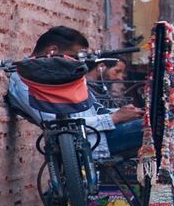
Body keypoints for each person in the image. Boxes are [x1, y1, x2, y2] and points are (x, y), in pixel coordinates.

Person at [8, 27, 145, 158]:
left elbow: (92, 110)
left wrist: (125, 113)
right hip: (87, 144)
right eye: (74, 56)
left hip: (99, 135)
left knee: (152, 121)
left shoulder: (68, 76)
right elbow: (55, 124)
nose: (78, 63)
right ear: (52, 51)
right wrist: (113, 118)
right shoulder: (23, 79)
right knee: (154, 128)